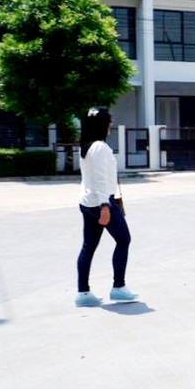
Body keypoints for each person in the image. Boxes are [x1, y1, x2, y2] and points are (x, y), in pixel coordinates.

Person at [75, 107, 138, 307]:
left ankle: (83, 293)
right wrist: (105, 205)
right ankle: (118, 287)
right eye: (109, 122)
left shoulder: (85, 146)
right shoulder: (100, 147)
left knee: (88, 247)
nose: (111, 125)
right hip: (102, 203)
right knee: (124, 240)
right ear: (102, 124)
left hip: (87, 202)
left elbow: (90, 178)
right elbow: (101, 179)